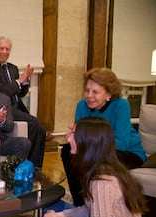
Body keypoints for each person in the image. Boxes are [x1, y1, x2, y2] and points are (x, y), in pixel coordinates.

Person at [24, 116, 147, 217]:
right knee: (50, 206)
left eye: (73, 133)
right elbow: (88, 209)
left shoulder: (102, 182)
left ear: (87, 142)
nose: (68, 136)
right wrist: (60, 215)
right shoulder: (104, 168)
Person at [61, 67, 146, 206]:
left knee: (98, 159)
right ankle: (81, 204)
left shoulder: (121, 105)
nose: (89, 95)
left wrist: (91, 147)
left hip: (127, 153)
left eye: (95, 92)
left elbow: (122, 143)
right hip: (96, 150)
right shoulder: (82, 106)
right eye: (87, 90)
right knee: (67, 151)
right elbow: (81, 138)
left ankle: (100, 204)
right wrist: (73, 138)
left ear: (108, 94)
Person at [0, 36, 46, 168]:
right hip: (4, 108)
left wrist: (26, 81)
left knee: (40, 129)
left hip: (17, 106)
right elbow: (1, 93)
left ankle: (35, 166)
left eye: (7, 49)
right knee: (34, 123)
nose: (4, 52)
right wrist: (19, 81)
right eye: (1, 48)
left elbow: (20, 93)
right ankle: (31, 165)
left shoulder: (13, 68)